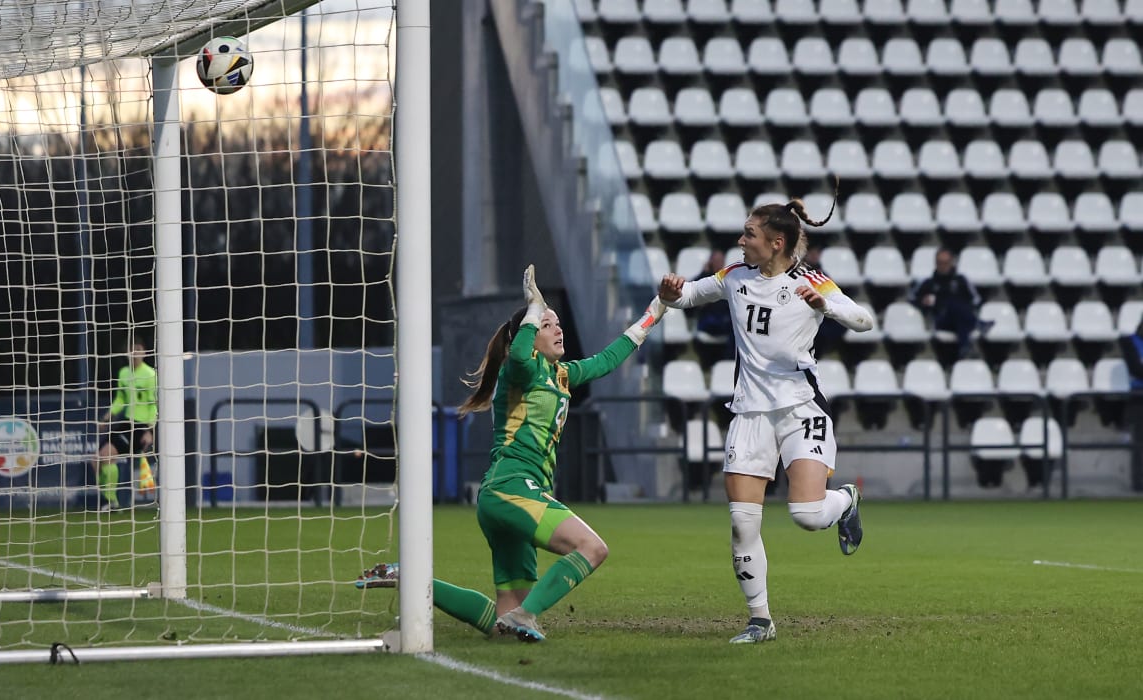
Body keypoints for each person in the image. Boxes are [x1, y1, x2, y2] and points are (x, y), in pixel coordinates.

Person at [357, 264, 667, 643]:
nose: (558, 328)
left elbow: (608, 359)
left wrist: (658, 308)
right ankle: (527, 615)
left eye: (557, 323)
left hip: (504, 498)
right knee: (592, 548)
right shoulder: (519, 370)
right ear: (530, 334)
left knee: (503, 623)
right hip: (513, 489)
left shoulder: (562, 374)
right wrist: (532, 309)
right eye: (548, 324)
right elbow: (519, 354)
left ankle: (408, 576)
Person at [657, 192, 871, 644]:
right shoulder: (735, 275)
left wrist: (825, 306)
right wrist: (670, 294)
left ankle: (846, 500)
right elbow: (691, 296)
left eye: (749, 234)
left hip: (799, 407)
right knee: (741, 521)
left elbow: (863, 319)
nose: (741, 240)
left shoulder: (812, 281)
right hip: (749, 411)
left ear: (776, 243)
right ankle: (760, 620)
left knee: (808, 515)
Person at [95, 340, 158, 511]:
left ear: (144, 352)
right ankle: (110, 500)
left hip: (140, 427)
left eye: (138, 349)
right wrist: (107, 417)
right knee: (96, 461)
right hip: (125, 423)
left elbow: (154, 405)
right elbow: (120, 399)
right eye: (131, 350)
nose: (135, 353)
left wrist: (149, 430)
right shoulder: (123, 373)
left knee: (106, 456)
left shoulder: (150, 375)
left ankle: (111, 501)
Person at [909, 247, 983, 360]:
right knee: (952, 305)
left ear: (951, 262)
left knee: (957, 308)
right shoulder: (929, 283)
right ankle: (976, 324)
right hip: (941, 320)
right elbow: (913, 299)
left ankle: (964, 347)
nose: (942, 266)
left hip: (961, 320)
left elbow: (976, 300)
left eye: (945, 263)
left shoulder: (961, 281)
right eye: (939, 263)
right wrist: (923, 302)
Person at [804, 245, 847, 358]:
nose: (814, 256)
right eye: (811, 253)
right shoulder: (798, 274)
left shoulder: (823, 276)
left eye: (816, 253)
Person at [1121, 320, 1143, 491]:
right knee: (1140, 443)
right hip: (1139, 398)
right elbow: (1136, 369)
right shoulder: (1129, 341)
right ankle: (1139, 484)